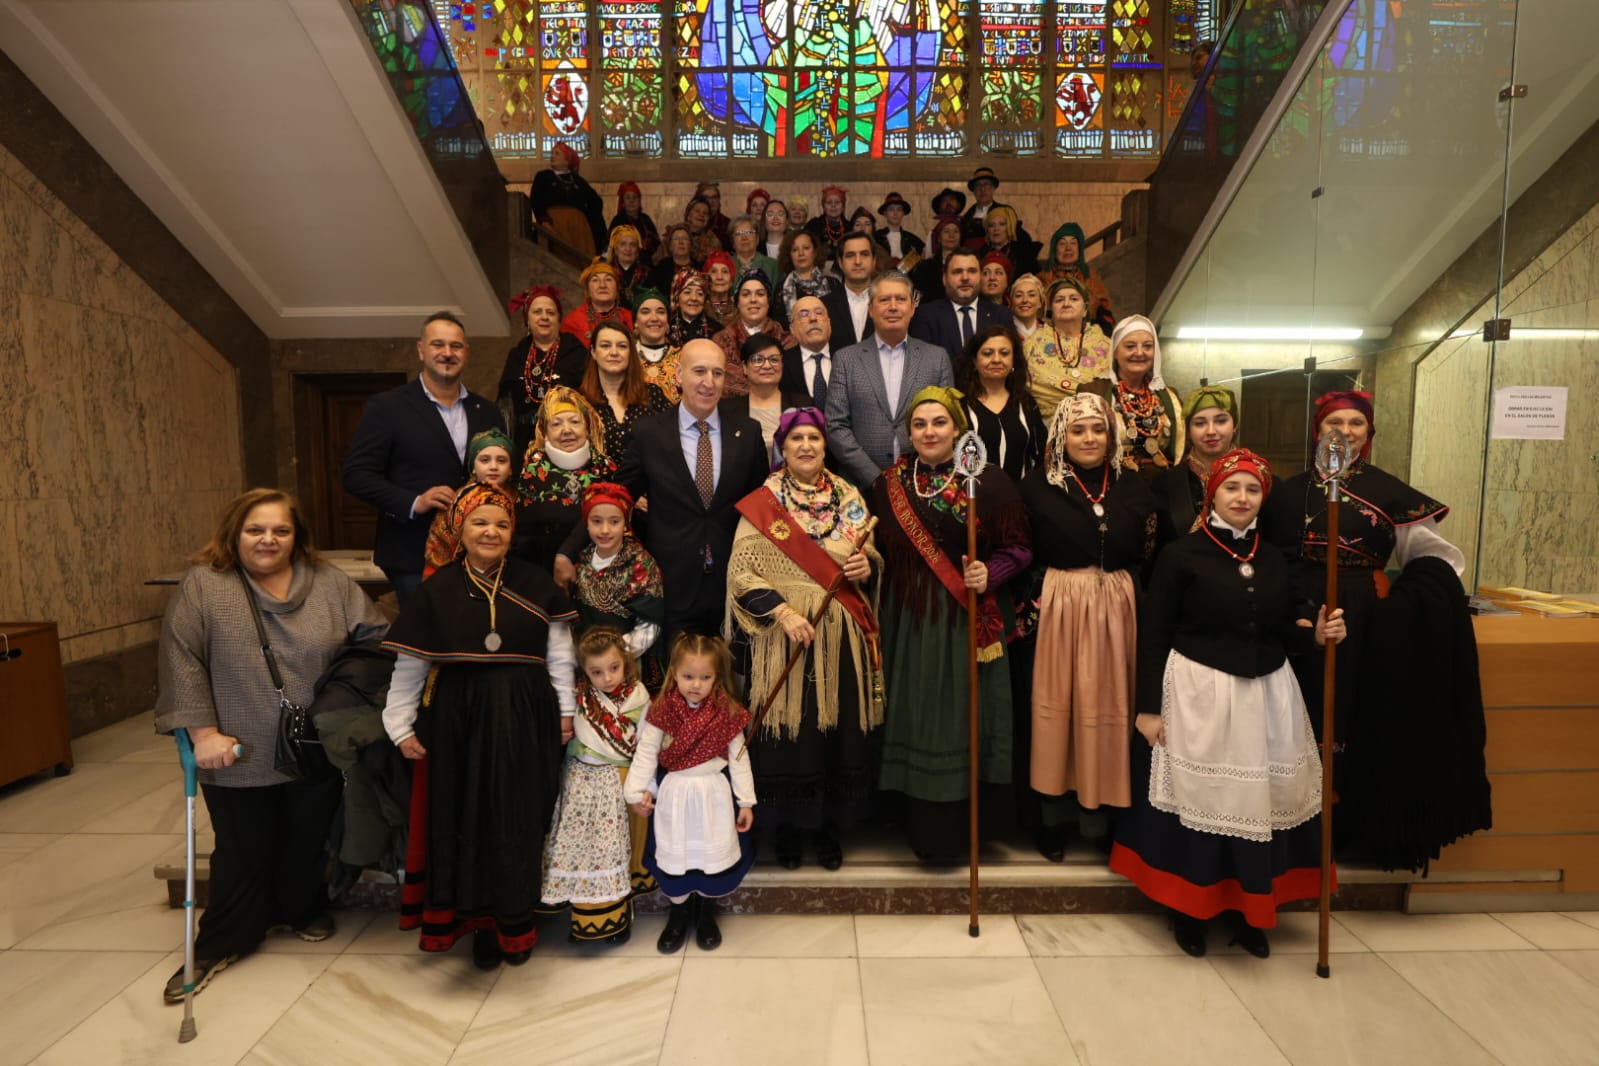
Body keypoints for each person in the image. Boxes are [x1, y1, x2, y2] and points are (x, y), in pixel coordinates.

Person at [156, 489, 389, 1003]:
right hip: (236, 742)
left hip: (312, 740)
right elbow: (182, 661)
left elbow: (377, 637)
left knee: (308, 835)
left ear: (296, 535)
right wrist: (203, 734)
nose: (268, 540)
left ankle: (299, 909)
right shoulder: (205, 585)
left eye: (281, 530)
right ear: (234, 533)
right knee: (243, 847)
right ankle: (223, 940)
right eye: (255, 530)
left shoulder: (328, 582)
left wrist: (344, 700)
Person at [1111, 448, 1344, 957]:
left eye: (1252, 489)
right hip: (1199, 693)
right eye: (1231, 487)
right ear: (1212, 494)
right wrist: (1148, 709)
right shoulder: (1180, 555)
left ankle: (1247, 912)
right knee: (1203, 799)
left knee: (1256, 803)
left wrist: (1317, 636)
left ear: (1263, 498)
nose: (1242, 497)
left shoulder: (1274, 558)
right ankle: (1189, 912)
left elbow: (1283, 630)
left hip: (1267, 695)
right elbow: (1154, 635)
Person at [1259, 390, 1483, 870]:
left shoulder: (1390, 493)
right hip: (1290, 616)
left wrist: (1399, 605)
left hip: (1361, 620)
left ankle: (1340, 828)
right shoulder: (1283, 492)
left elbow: (1436, 560)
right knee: (1287, 716)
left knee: (1346, 719)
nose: (1344, 431)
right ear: (1317, 431)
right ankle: (1283, 825)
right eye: (1334, 422)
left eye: (1355, 423)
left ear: (1369, 432)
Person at [383, 482, 577, 970]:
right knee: (465, 819)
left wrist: (565, 712)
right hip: (458, 718)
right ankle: (479, 928)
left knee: (518, 819)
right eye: (480, 522)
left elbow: (559, 656)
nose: (491, 531)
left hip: (525, 715)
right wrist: (400, 724)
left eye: (502, 524)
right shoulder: (436, 590)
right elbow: (410, 664)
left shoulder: (536, 583)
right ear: (459, 528)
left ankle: (516, 924)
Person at [872, 387, 1032, 863]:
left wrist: (990, 572)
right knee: (914, 716)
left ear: (958, 428)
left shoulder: (989, 480)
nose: (929, 432)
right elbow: (871, 548)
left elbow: (1020, 548)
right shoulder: (888, 484)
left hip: (966, 621)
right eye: (919, 424)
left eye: (939, 422)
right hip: (907, 620)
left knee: (961, 720)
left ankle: (964, 830)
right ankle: (913, 823)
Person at [727, 408, 882, 869]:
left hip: (841, 632)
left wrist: (867, 566)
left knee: (835, 730)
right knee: (788, 735)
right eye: (796, 439)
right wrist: (781, 612)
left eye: (814, 437)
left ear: (825, 445)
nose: (806, 446)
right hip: (783, 635)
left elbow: (870, 553)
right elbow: (741, 572)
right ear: (783, 447)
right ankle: (787, 829)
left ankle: (827, 827)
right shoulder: (764, 500)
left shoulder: (848, 496)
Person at [556, 339, 771, 642]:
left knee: (734, 668)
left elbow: (761, 505)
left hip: (734, 581)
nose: (709, 382)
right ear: (679, 375)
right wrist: (567, 551)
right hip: (673, 582)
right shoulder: (649, 434)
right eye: (699, 371)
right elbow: (614, 497)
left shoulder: (747, 431)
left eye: (718, 373)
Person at [1020, 392, 1157, 858]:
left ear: (1112, 434)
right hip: (1059, 607)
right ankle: (1052, 821)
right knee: (1058, 712)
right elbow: (1023, 550)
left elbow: (1148, 551)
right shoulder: (1037, 487)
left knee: (1111, 710)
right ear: (1061, 435)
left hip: (1118, 607)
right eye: (1077, 430)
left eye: (1098, 429)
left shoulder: (1133, 486)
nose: (1089, 438)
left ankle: (1103, 821)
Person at [343, 311, 502, 602]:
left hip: (477, 552)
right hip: (413, 553)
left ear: (466, 353)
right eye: (438, 344)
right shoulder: (388, 407)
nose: (447, 353)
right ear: (421, 350)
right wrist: (415, 502)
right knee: (425, 630)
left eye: (456, 346)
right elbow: (356, 475)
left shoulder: (488, 411)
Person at [625, 633, 757, 953]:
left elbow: (739, 758)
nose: (696, 685)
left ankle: (706, 909)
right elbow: (647, 752)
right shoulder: (663, 709)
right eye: (688, 676)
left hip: (713, 795)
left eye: (705, 678)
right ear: (674, 673)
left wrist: (745, 802)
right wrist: (636, 792)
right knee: (678, 854)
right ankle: (679, 911)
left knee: (709, 855)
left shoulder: (727, 711)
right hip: (676, 795)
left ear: (716, 676)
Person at [541, 626, 656, 945]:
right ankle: (583, 919)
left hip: (620, 782)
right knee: (580, 851)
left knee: (614, 852)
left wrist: (646, 786)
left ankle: (618, 918)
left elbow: (647, 745)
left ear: (626, 662)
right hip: (580, 782)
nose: (607, 678)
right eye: (597, 672)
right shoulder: (579, 697)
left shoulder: (639, 696)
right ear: (584, 670)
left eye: (614, 668)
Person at [826, 271, 956, 490]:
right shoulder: (846, 359)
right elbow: (836, 426)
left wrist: (920, 475)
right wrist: (875, 478)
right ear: (871, 309)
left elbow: (947, 422)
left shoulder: (937, 358)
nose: (893, 306)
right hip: (861, 488)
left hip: (923, 484)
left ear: (912, 308)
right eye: (884, 300)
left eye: (901, 299)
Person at [570, 482, 666, 689]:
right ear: (586, 523)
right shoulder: (581, 561)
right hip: (588, 664)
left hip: (628, 663)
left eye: (614, 521)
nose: (605, 530)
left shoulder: (641, 564)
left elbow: (650, 625)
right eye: (597, 521)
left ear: (625, 523)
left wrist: (613, 657)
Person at [515, 386, 618, 572]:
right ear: (545, 432)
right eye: (556, 424)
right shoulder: (531, 471)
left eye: (575, 422)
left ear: (587, 428)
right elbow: (523, 537)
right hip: (543, 569)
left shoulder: (605, 469)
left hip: (600, 568)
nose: (567, 430)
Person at [1080, 315, 1184, 479]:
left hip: (1162, 483)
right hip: (1111, 483)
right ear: (1115, 352)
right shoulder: (1093, 392)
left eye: (1147, 346)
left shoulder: (1169, 396)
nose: (1140, 352)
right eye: (1130, 346)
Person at [498, 286, 590, 465]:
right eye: (537, 312)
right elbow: (505, 407)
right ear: (527, 319)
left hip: (569, 442)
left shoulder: (576, 351)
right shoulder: (517, 355)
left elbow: (590, 401)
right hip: (525, 446)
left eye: (550, 312)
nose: (544, 317)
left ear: (559, 319)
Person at [1150, 385, 1240, 552]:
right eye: (1200, 423)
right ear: (1188, 430)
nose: (1211, 431)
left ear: (1235, 425)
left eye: (1221, 421)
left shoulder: (1257, 481)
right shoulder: (1165, 484)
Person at [956, 324, 1046, 481]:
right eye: (987, 353)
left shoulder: (1026, 403)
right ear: (974, 361)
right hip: (973, 494)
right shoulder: (960, 406)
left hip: (1021, 494)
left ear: (1013, 360)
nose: (996, 359)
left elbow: (1041, 455)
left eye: (1004, 353)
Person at [423, 428, 515, 579]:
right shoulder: (456, 502)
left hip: (511, 578)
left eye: (501, 460)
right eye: (485, 460)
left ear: (510, 469)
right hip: (459, 579)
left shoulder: (521, 501)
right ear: (473, 467)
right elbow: (440, 548)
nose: (493, 466)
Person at [582, 319, 673, 463]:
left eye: (622, 346)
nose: (614, 352)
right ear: (593, 352)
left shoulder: (652, 394)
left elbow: (674, 440)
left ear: (630, 352)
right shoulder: (580, 401)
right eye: (605, 346)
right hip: (599, 477)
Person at [1023, 276, 1113, 421]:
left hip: (1095, 424)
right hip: (1044, 425)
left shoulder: (1105, 345)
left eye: (1074, 299)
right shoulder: (1032, 344)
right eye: (1059, 300)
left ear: (1085, 310)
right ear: (1051, 310)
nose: (1066, 304)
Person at [910, 248, 1009, 364]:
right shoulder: (926, 315)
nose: (965, 278)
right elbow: (921, 365)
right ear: (944, 279)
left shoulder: (1001, 315)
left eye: (972, 271)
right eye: (957, 272)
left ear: (980, 277)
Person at [713, 270, 796, 398]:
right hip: (731, 408)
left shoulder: (787, 341)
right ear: (737, 302)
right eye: (746, 294)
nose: (753, 300)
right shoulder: (721, 341)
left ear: (768, 302)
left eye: (760, 294)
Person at [721, 333, 808, 454]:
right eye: (758, 359)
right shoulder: (727, 410)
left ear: (782, 365)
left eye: (774, 360)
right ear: (745, 367)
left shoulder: (803, 405)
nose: (767, 366)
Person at [1038, 222, 1114, 333]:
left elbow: (1104, 308)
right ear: (1055, 249)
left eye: (1073, 243)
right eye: (1062, 244)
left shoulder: (1089, 275)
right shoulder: (1043, 277)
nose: (1068, 248)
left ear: (1079, 249)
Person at [530, 143, 606, 253]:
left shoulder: (578, 181)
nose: (552, 156)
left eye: (557, 153)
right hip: (554, 224)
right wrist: (543, 220)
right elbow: (536, 199)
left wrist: (585, 220)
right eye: (552, 153)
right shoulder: (544, 176)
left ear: (567, 160)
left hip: (578, 229)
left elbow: (596, 201)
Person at [821, 231, 878, 350]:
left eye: (864, 254)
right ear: (840, 263)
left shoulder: (890, 303)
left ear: (874, 261)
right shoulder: (823, 306)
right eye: (850, 255)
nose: (858, 261)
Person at [562, 259, 634, 347]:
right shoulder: (574, 321)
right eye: (595, 280)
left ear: (617, 288)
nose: (602, 285)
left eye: (608, 279)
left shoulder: (630, 317)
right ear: (588, 290)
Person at [782, 295, 836, 411]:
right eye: (804, 314)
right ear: (792, 329)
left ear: (829, 323)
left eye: (819, 312)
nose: (813, 318)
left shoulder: (850, 358)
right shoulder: (782, 364)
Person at [960, 166, 1032, 246]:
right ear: (973, 190)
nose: (982, 189)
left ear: (993, 188)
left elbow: (1019, 237)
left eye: (986, 184)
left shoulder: (1005, 211)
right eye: (978, 185)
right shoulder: (966, 218)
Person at [632, 287, 680, 403]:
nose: (654, 318)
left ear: (667, 322)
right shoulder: (626, 358)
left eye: (661, 312)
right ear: (636, 322)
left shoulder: (683, 358)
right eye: (645, 312)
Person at [910, 215, 967, 303]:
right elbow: (918, 298)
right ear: (939, 238)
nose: (951, 235)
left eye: (956, 231)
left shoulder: (968, 265)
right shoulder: (925, 267)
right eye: (946, 231)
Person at [779, 229, 836, 314]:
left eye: (806, 248)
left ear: (815, 252)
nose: (801, 253)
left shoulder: (833, 284)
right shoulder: (781, 288)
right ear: (789, 255)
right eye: (795, 250)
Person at [976, 207, 1040, 276]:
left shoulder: (1022, 252)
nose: (996, 229)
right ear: (987, 230)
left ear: (1010, 227)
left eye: (1002, 224)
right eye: (991, 225)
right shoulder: (981, 253)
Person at [608, 180, 660, 263]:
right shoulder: (618, 220)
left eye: (635, 197)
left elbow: (657, 244)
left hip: (647, 264)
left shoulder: (646, 219)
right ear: (623, 203)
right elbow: (609, 246)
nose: (631, 201)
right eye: (628, 198)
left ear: (639, 201)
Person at [668, 267, 719, 346]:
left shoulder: (717, 330)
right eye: (687, 292)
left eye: (700, 294)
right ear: (677, 296)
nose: (694, 298)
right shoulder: (666, 329)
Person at [729, 212, 781, 288]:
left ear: (757, 239)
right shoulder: (725, 265)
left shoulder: (773, 267)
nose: (744, 237)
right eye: (738, 233)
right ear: (732, 241)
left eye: (749, 232)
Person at [647, 223, 699, 295]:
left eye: (685, 238)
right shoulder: (661, 267)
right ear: (670, 246)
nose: (681, 242)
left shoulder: (699, 268)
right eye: (676, 239)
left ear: (691, 245)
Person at [804, 184, 851, 265]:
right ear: (823, 206)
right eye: (829, 202)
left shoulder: (850, 227)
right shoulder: (813, 225)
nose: (833, 206)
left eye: (837, 202)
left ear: (843, 206)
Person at [875, 191, 924, 268]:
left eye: (899, 209)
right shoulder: (876, 237)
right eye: (891, 209)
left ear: (903, 213)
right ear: (885, 213)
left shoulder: (913, 240)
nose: (895, 213)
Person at [607, 224, 650, 308]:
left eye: (633, 245)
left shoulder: (648, 274)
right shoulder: (607, 273)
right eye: (623, 244)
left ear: (637, 251)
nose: (628, 249)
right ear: (615, 250)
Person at [704, 250, 740, 326]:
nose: (719, 277)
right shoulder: (700, 309)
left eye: (725, 272)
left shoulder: (740, 310)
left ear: (731, 281)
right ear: (707, 279)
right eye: (714, 271)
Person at [695, 180, 733, 249]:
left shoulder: (728, 225)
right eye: (706, 197)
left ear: (719, 201)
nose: (711, 201)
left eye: (714, 197)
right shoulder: (692, 222)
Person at [683, 196, 722, 262]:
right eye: (697, 211)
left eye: (705, 213)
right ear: (688, 215)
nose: (701, 215)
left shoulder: (714, 241)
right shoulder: (675, 234)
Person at [1009, 273, 1045, 340]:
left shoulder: (1050, 334)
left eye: (1031, 295)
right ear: (1011, 302)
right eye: (1019, 295)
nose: (1025, 300)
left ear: (1040, 302)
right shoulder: (1003, 332)